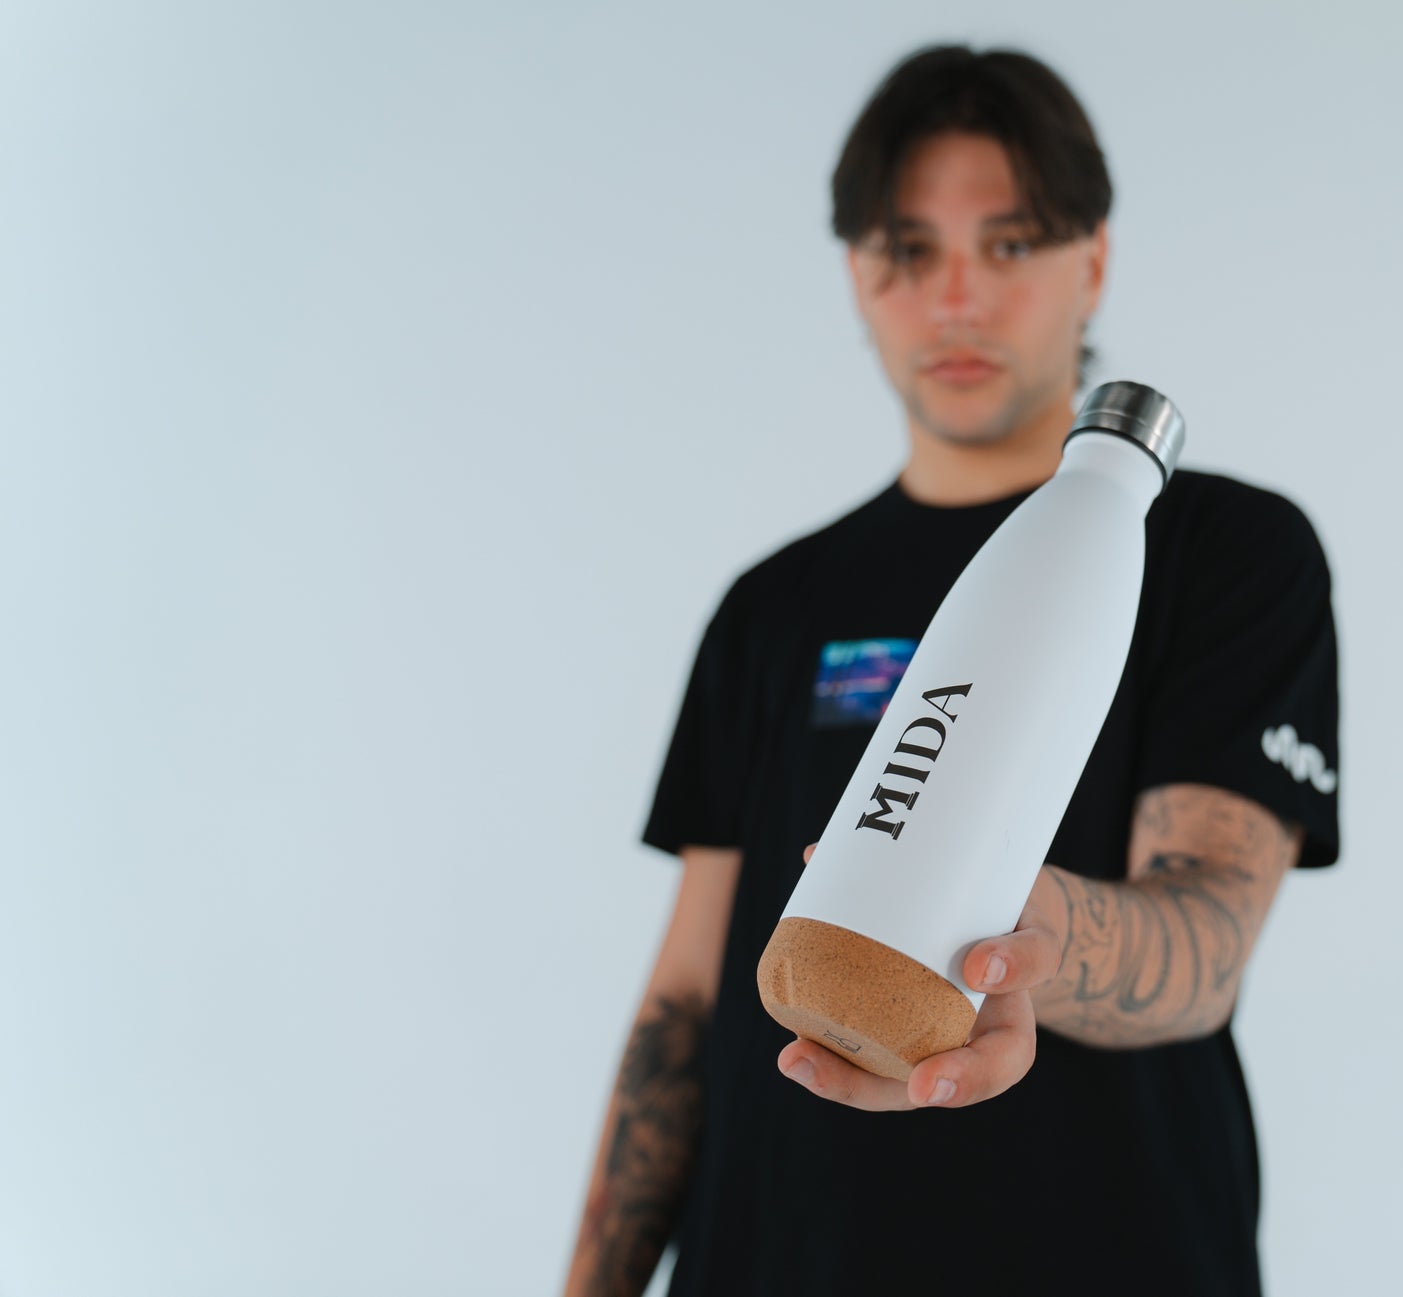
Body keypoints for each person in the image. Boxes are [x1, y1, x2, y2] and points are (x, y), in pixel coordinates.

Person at [563, 43, 1341, 1297]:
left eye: (1010, 241)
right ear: (856, 276)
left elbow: (1204, 937)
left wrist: (1025, 936)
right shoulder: (772, 607)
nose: (957, 297)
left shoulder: (1223, 553)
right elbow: (685, 1004)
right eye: (908, 250)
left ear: (1092, 260)